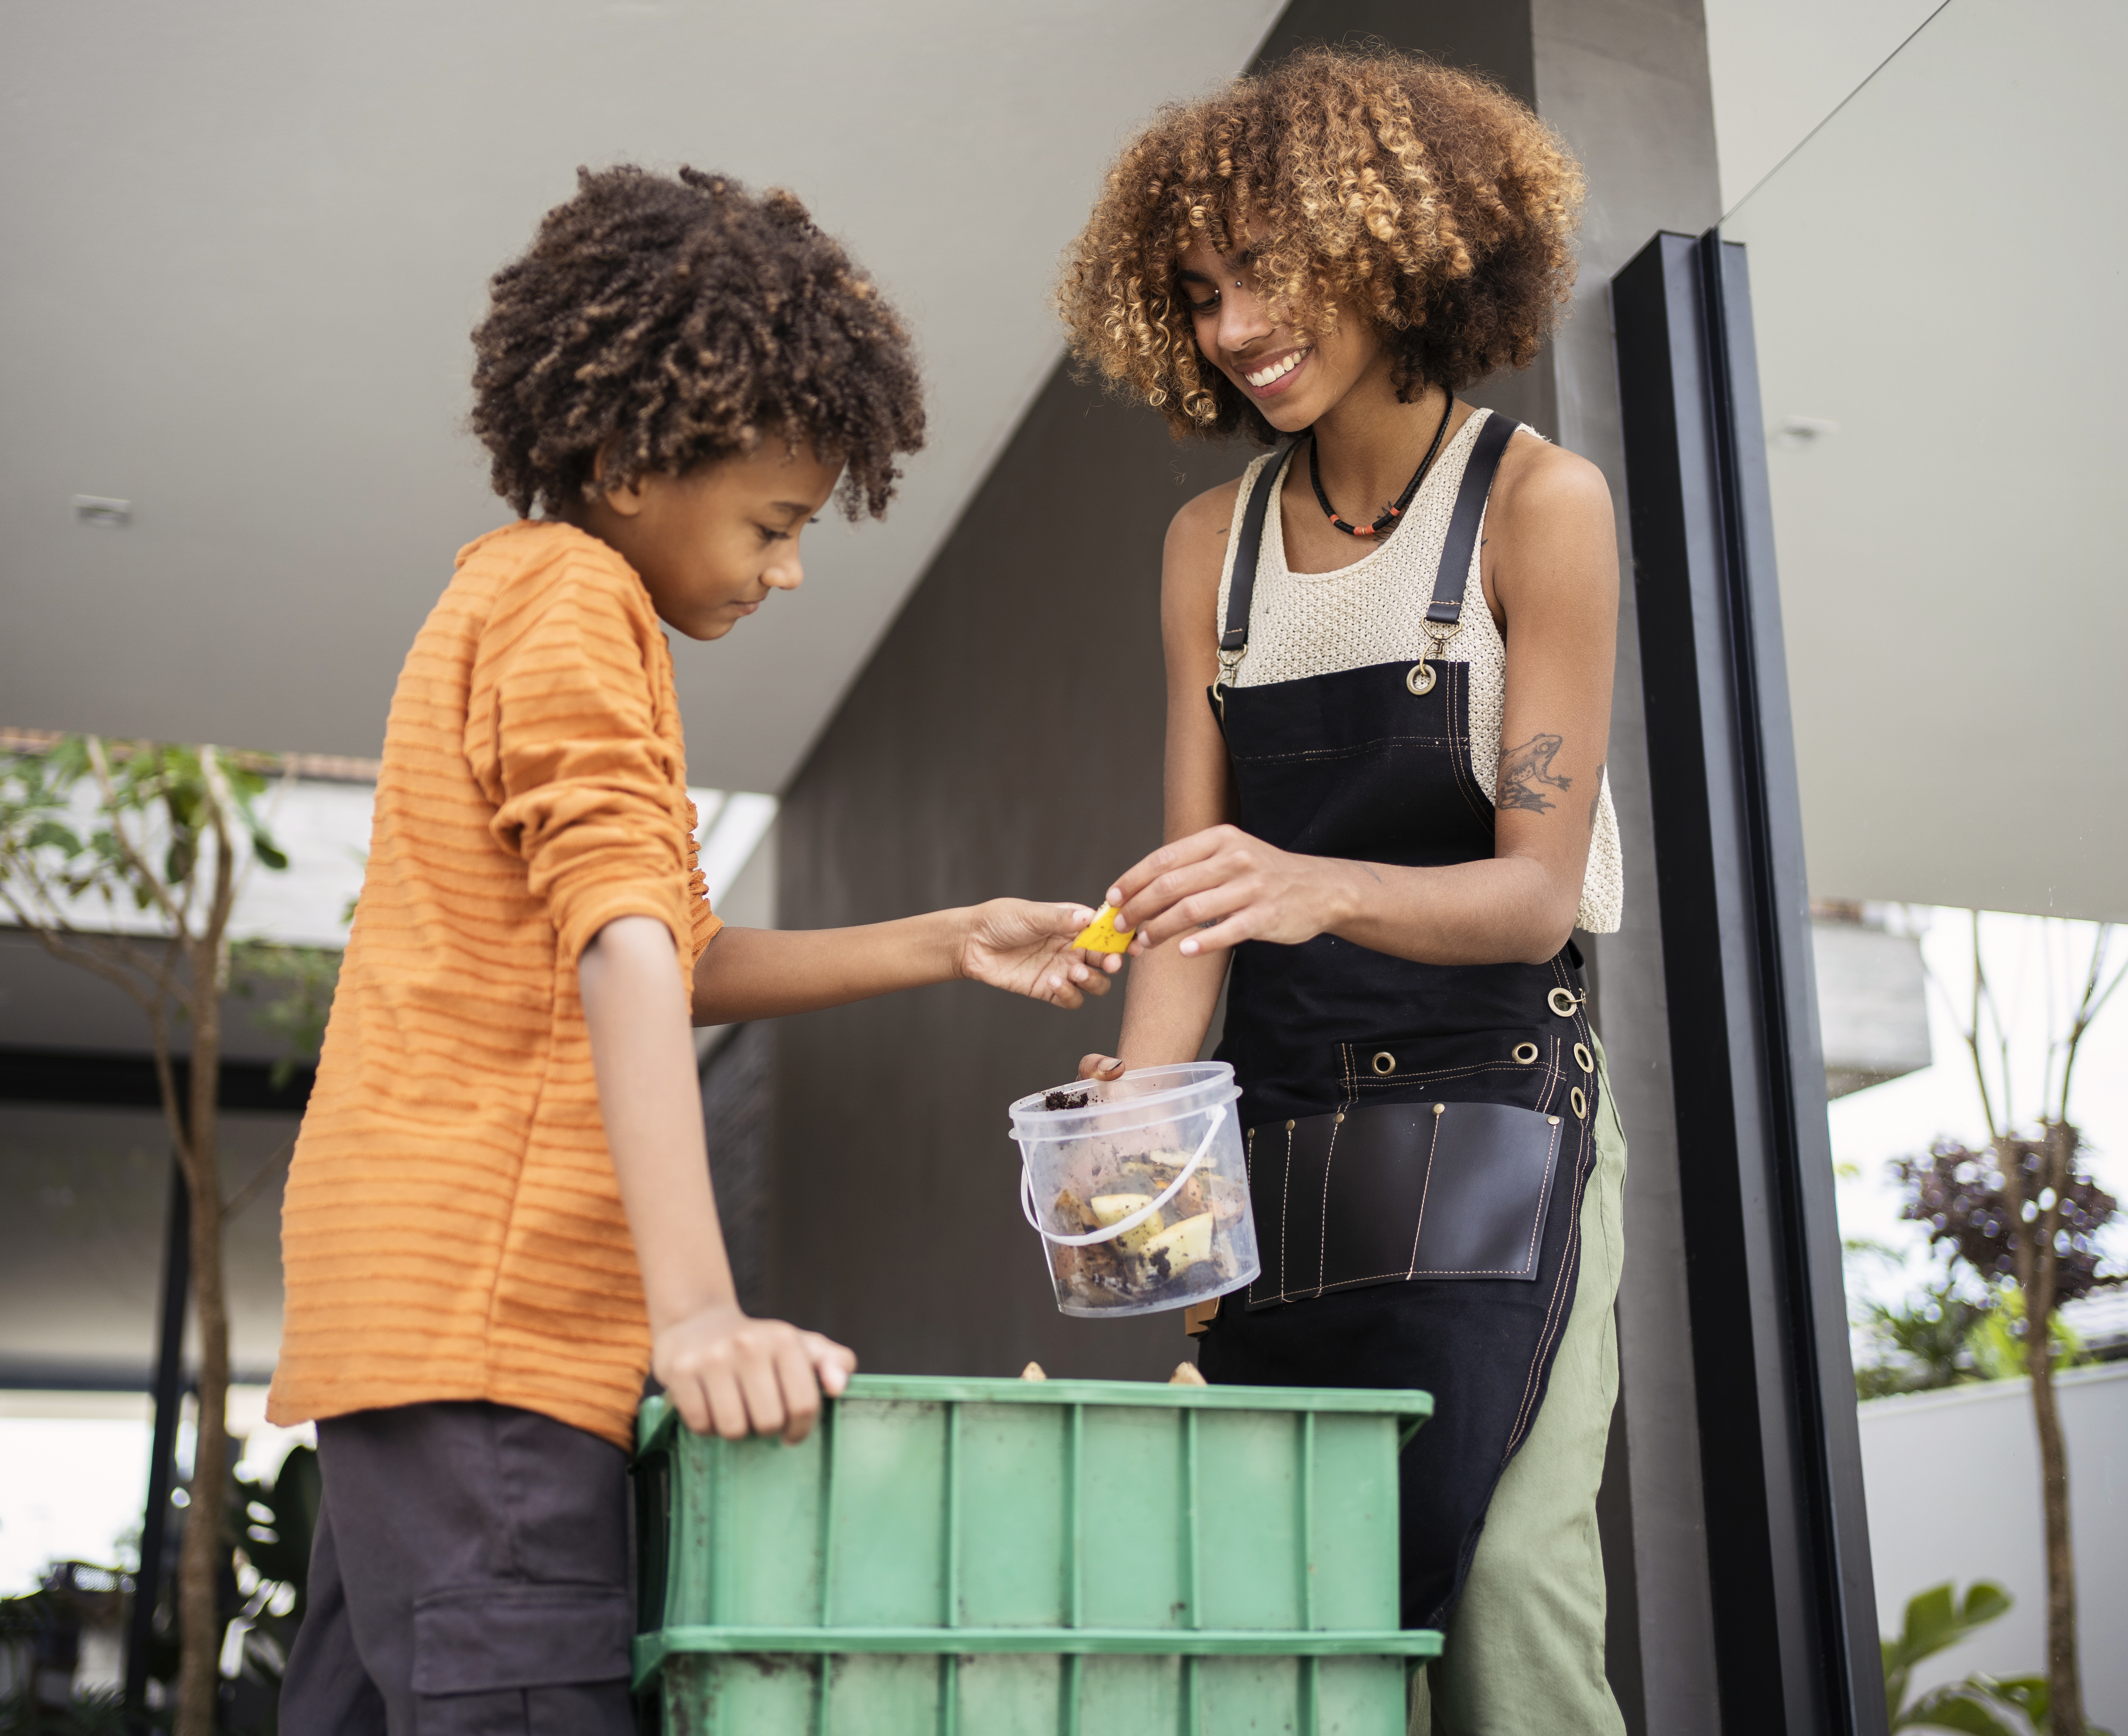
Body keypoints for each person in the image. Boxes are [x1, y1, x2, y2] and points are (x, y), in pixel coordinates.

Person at [267, 165, 1114, 1736]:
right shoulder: (575, 601)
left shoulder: (522, 606)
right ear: (629, 455)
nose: (789, 567)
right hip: (502, 1341)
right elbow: (625, 952)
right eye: (776, 521)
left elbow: (675, 948)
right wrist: (698, 1318)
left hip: (418, 1341)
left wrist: (947, 939)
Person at [1054, 49, 1629, 1736]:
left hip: (1505, 1121)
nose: (1235, 324)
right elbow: (1190, 896)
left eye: (1271, 270)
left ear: (1401, 240)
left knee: (1510, 1595)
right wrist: (1145, 1147)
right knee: (1281, 1614)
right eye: (1202, 290)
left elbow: (1534, 904)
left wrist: (1300, 881)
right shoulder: (1203, 549)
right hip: (1290, 1143)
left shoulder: (1538, 507)